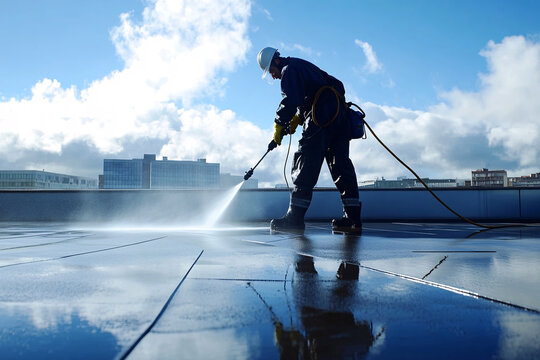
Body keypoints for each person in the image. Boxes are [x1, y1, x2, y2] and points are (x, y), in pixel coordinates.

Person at [257, 47, 362, 232]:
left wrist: (279, 124)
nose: (273, 76)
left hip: (320, 119)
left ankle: (294, 218)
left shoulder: (289, 70)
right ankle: (352, 220)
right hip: (339, 119)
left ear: (275, 62)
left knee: (305, 162)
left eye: (271, 71)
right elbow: (313, 93)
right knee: (341, 166)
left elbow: (291, 99)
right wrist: (299, 118)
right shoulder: (302, 66)